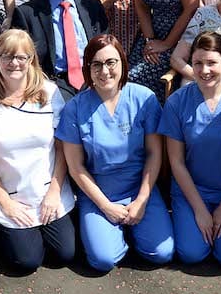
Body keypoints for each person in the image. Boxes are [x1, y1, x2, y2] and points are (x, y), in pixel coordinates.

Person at [55, 35, 175, 272]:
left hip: (139, 189)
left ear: (122, 63)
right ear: (88, 68)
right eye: (96, 64)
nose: (104, 71)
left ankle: (133, 227)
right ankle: (115, 231)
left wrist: (141, 200)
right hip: (99, 193)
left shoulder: (144, 98)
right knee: (103, 260)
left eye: (111, 62)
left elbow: (154, 153)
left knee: (162, 253)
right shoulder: (75, 108)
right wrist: (105, 206)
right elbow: (76, 167)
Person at [0, 30, 76, 272]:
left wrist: (54, 192)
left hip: (48, 190)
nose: (13, 63)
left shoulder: (49, 93)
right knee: (27, 261)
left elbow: (61, 147)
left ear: (31, 60)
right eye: (6, 56)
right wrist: (5, 202)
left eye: (20, 57)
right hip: (10, 192)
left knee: (64, 253)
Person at [159, 32, 221, 268]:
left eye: (212, 62)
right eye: (198, 63)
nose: (204, 70)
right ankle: (186, 218)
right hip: (192, 191)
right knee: (192, 254)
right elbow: (176, 162)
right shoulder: (177, 102)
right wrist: (200, 210)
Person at [10, 0, 108, 100]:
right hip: (53, 85)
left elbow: (105, 48)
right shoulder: (27, 14)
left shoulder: (92, 7)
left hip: (93, 79)